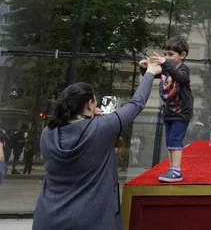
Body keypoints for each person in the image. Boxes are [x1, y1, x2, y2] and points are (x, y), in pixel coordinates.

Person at [32, 58, 161, 230]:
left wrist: (90, 119)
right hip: (93, 221)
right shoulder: (103, 127)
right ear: (89, 104)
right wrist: (150, 72)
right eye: (95, 101)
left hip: (47, 219)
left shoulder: (48, 133)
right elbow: (136, 103)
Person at [141, 35, 193, 183]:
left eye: (171, 54)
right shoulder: (166, 69)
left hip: (181, 112)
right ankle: (172, 169)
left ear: (183, 55)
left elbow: (180, 78)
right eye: (165, 54)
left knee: (175, 141)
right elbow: (149, 75)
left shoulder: (183, 69)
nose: (167, 58)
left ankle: (176, 171)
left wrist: (166, 64)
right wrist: (144, 67)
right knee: (169, 142)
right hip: (169, 112)